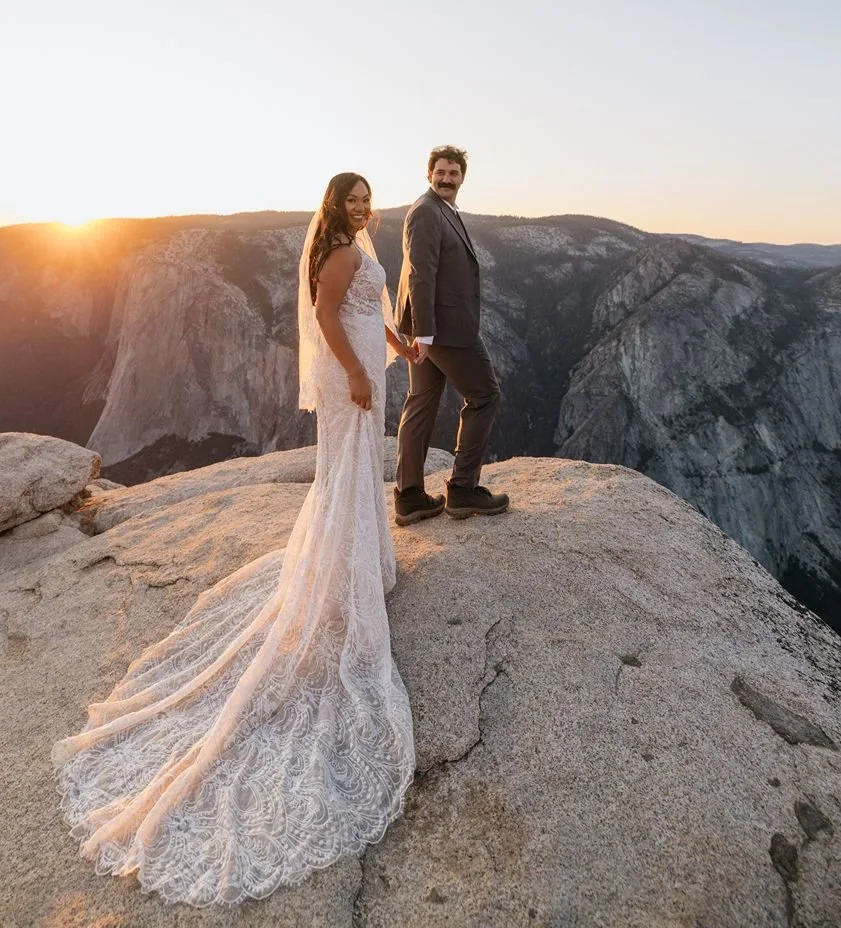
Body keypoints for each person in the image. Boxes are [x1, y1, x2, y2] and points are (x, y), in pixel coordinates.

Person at [53, 173, 418, 906]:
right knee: (345, 472)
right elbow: (322, 311)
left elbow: (364, 305)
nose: (362, 207)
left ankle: (361, 556)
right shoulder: (340, 250)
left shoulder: (358, 246)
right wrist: (354, 370)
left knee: (354, 471)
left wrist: (394, 340)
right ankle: (343, 568)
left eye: (367, 198)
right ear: (335, 206)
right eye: (352, 199)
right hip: (351, 373)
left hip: (365, 363)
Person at [393, 145, 510, 525]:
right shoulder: (427, 211)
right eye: (440, 172)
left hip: (434, 327)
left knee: (422, 403)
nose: (446, 179)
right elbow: (420, 274)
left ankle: (410, 496)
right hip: (444, 330)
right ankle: (462, 489)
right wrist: (425, 334)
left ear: (462, 177)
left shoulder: (442, 210)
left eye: (453, 173)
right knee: (485, 395)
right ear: (429, 175)